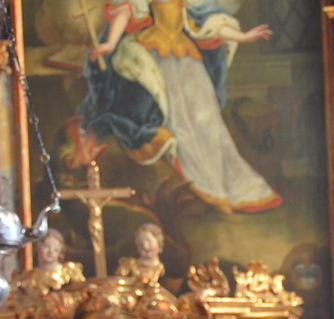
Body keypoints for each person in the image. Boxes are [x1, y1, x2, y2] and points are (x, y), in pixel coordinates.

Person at [78, 0, 282, 215]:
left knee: (209, 121)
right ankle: (208, 188)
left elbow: (211, 22)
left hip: (186, 58)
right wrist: (110, 44)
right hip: (155, 56)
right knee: (181, 124)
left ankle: (230, 189)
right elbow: (127, 11)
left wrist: (243, 36)